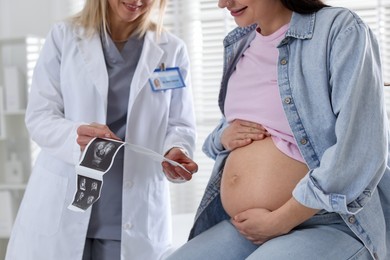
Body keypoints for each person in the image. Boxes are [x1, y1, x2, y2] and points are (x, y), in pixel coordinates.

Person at [166, 0, 390, 259]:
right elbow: (259, 117)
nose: (222, 3)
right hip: (247, 226)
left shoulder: (339, 29)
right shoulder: (241, 43)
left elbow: (361, 146)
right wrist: (221, 136)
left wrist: (282, 219)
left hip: (329, 219)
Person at [5, 0, 198, 259]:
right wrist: (75, 135)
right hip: (65, 201)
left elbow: (179, 123)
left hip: (131, 210)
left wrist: (177, 150)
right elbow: (40, 116)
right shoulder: (64, 37)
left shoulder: (172, 49)